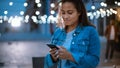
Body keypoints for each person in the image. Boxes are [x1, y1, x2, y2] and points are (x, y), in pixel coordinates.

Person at [44, 0, 100, 68]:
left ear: (79, 12)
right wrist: (52, 57)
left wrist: (70, 56)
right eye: (63, 13)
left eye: (70, 13)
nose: (65, 16)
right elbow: (47, 64)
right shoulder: (58, 32)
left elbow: (94, 61)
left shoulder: (90, 32)